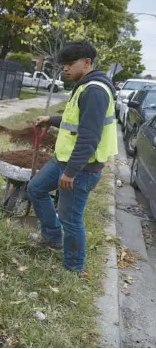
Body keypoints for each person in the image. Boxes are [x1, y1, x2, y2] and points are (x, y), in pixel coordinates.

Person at [28, 40, 117, 272]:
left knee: (71, 218)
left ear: (87, 63)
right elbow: (76, 123)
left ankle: (74, 267)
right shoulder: (83, 85)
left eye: (70, 64)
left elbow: (89, 138)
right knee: (36, 188)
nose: (65, 69)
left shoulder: (95, 91)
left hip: (81, 169)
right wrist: (52, 120)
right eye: (63, 65)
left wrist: (71, 172)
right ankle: (52, 236)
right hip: (63, 160)